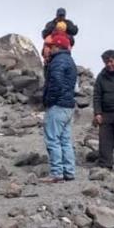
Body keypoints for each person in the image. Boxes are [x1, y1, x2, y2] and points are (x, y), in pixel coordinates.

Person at [41, 34, 78, 183]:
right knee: (65, 140)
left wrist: (49, 100)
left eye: (51, 46)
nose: (49, 49)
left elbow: (55, 82)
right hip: (68, 105)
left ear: (57, 47)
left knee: (52, 139)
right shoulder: (70, 60)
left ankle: (57, 173)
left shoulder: (57, 62)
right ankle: (69, 171)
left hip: (58, 105)